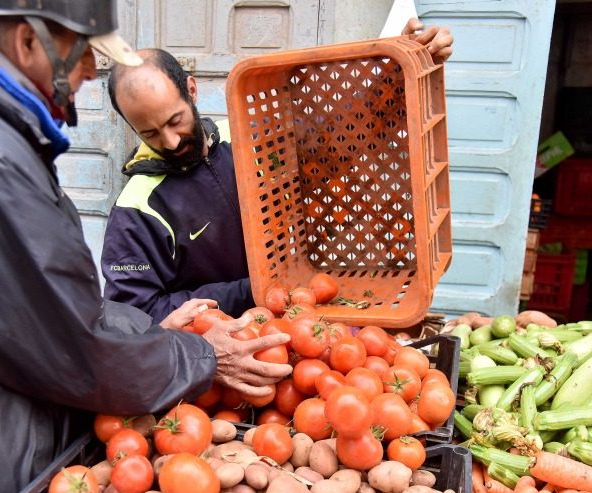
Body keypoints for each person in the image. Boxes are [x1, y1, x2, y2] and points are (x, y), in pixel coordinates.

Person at [0, 1, 291, 493]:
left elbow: (35, 315)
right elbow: (76, 347)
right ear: (30, 42)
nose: (86, 74)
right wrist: (200, 353)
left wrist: (148, 331)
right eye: (83, 54)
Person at [101, 19, 454, 323]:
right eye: (149, 133)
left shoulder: (243, 138)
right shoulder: (136, 210)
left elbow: (333, 143)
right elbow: (135, 314)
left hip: (301, 322)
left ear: (191, 90)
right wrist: (250, 292)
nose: (171, 140)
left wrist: (394, 72)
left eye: (175, 120)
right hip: (225, 354)